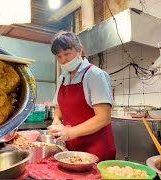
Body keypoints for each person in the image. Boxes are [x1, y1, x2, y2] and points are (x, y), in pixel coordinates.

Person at [47, 31, 116, 161]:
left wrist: (69, 133)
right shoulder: (62, 78)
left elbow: (103, 118)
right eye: (59, 56)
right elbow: (58, 107)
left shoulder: (95, 75)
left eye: (67, 54)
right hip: (72, 149)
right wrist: (56, 120)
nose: (63, 60)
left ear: (79, 50)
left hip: (97, 150)